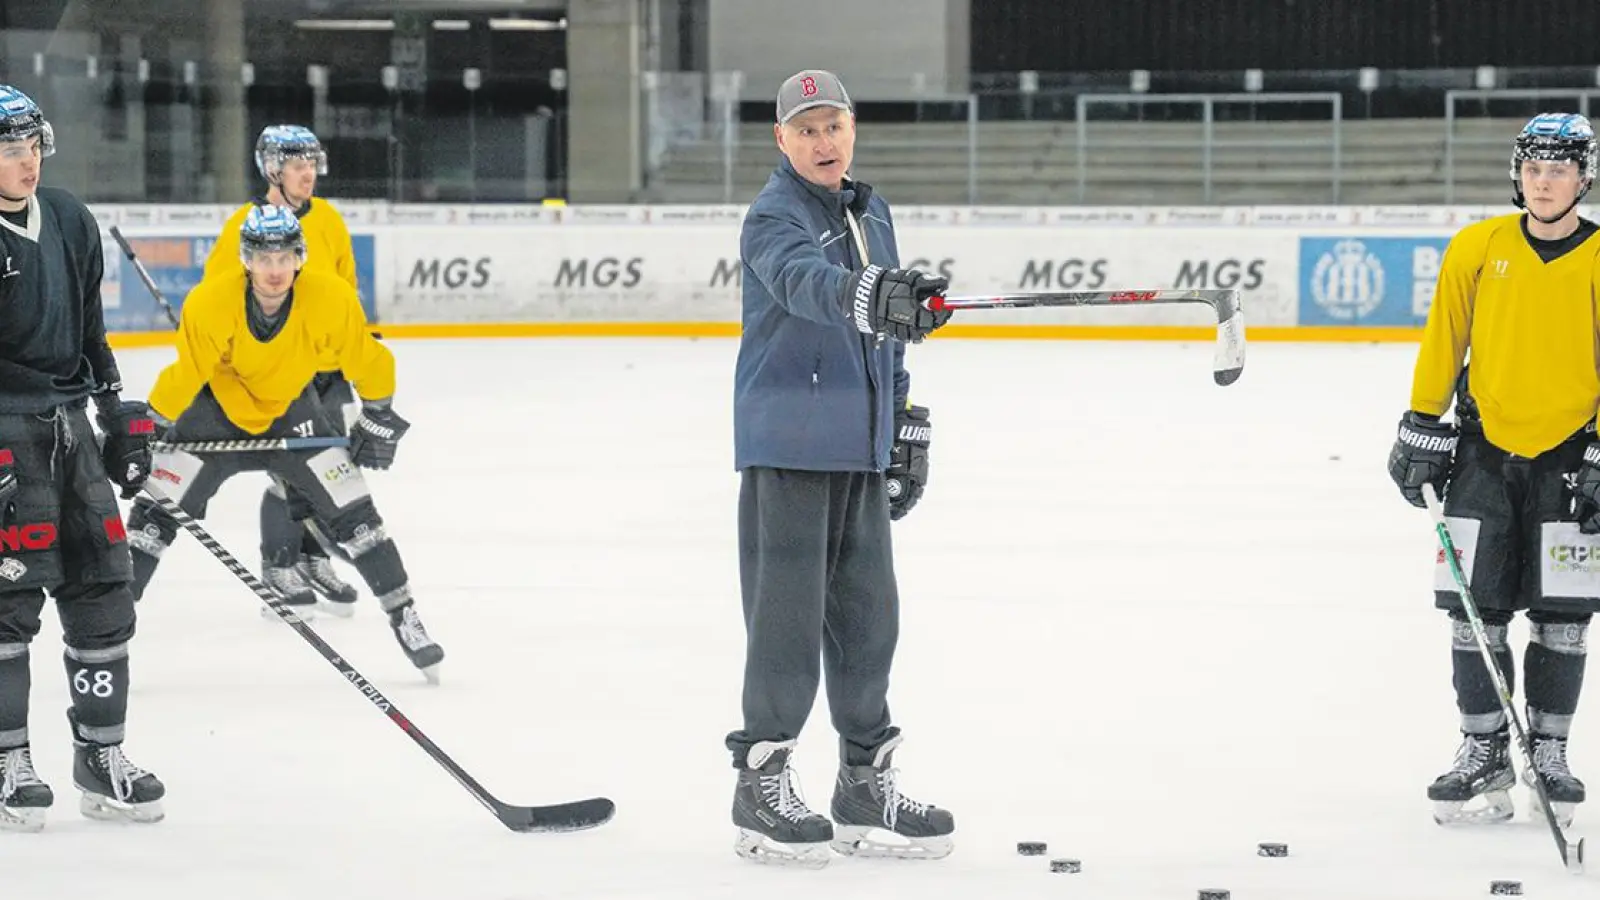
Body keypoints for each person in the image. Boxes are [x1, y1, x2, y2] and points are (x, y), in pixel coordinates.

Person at [725, 69, 955, 868]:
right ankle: (762, 786)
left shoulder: (871, 210)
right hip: (788, 444)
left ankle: (864, 785)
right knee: (785, 624)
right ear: (781, 141)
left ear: (852, 129)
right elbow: (807, 286)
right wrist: (873, 295)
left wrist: (902, 425)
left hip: (856, 447)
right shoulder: (773, 215)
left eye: (835, 126)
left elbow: (886, 329)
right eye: (807, 129)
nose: (824, 142)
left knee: (868, 623)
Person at [123, 205, 446, 682]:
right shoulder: (210, 302)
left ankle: (405, 617)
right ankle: (108, 632)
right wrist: (147, 430)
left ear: (300, 257)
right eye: (262, 258)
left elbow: (367, 358)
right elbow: (186, 374)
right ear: (245, 259)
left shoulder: (330, 297)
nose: (274, 270)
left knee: (356, 513)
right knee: (153, 517)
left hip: (291, 414)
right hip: (216, 415)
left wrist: (378, 413)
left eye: (284, 258)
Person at [1389, 111, 1600, 829]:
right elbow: (1444, 335)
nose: (1545, 182)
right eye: (1535, 169)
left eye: (1561, 169)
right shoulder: (1477, 246)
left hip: (1573, 459)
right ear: (1519, 174)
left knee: (1565, 616)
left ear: (1583, 176)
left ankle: (1549, 749)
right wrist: (1423, 421)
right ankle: (1483, 747)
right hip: (1482, 454)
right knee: (1469, 609)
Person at [0, 85, 165, 830]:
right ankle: (7, 758)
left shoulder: (67, 215)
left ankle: (100, 755)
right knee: (8, 603)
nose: (26, 160)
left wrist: (116, 409)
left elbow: (92, 327)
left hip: (70, 431)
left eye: (32, 145)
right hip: (6, 435)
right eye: (9, 148)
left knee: (105, 587)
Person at [203, 124, 363, 618]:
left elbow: (347, 293)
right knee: (286, 473)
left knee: (328, 473)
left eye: (312, 164)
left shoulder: (330, 220)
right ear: (272, 169)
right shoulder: (246, 226)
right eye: (297, 165)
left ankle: (312, 560)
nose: (307, 174)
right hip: (278, 373)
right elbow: (218, 297)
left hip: (329, 372)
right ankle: (278, 565)